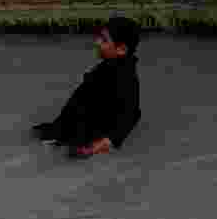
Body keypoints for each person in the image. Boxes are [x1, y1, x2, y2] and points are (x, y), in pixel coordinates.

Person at [32, 16, 142, 159]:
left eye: (104, 40)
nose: (96, 42)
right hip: (67, 130)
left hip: (82, 141)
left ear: (121, 49)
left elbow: (132, 115)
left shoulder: (126, 79)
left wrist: (97, 147)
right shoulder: (110, 66)